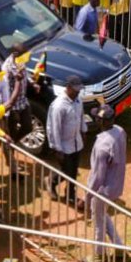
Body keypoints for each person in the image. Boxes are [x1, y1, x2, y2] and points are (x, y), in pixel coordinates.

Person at [83, 104, 126, 262]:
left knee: (98, 221)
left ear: (101, 121)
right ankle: (119, 246)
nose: (95, 119)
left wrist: (88, 195)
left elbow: (97, 177)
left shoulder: (102, 146)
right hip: (116, 185)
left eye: (97, 118)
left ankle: (99, 254)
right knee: (103, 215)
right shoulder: (120, 131)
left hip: (103, 191)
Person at [46, 75, 86, 207]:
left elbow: (81, 117)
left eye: (79, 90)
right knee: (66, 171)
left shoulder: (78, 100)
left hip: (76, 143)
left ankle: (70, 194)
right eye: (75, 90)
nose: (77, 92)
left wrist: (83, 131)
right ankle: (51, 183)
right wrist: (57, 148)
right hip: (64, 146)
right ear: (68, 88)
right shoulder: (58, 106)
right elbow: (54, 128)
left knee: (73, 171)